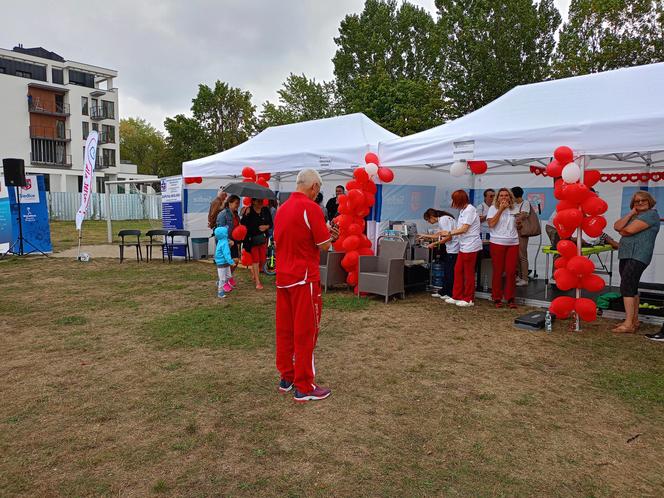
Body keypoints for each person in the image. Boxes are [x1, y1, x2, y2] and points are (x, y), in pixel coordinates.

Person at [274, 168, 339, 402]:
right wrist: (331, 236)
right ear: (314, 187)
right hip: (303, 277)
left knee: (285, 329)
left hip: (283, 277)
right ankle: (304, 385)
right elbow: (323, 245)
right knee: (305, 331)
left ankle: (287, 377)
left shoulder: (281, 209)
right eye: (318, 190)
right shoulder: (311, 208)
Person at [612, 191, 660, 334]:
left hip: (638, 255)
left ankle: (628, 324)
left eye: (643, 200)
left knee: (627, 286)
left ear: (649, 201)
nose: (640, 203)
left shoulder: (651, 215)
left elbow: (628, 231)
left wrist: (623, 230)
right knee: (631, 286)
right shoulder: (634, 216)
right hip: (626, 254)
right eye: (636, 201)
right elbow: (617, 226)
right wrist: (631, 213)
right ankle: (634, 320)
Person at [439, 190, 482, 307]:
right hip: (463, 246)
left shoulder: (470, 210)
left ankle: (469, 299)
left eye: (454, 200)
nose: (453, 202)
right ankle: (457, 295)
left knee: (468, 273)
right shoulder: (463, 210)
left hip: (471, 245)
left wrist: (448, 232)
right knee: (458, 270)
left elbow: (464, 229)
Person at [486, 188, 520, 308]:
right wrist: (501, 209)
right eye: (501, 196)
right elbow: (491, 224)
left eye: (506, 195)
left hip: (513, 242)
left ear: (510, 197)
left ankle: (510, 298)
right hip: (497, 242)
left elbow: (518, 226)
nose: (504, 198)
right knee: (498, 271)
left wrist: (519, 222)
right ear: (497, 198)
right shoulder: (493, 208)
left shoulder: (514, 208)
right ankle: (496, 297)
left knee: (511, 272)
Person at [420, 208, 459, 300]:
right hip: (451, 248)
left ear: (432, 217)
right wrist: (424, 235)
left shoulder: (443, 220)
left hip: (453, 249)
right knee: (446, 271)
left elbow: (448, 237)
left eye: (428, 220)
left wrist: (435, 244)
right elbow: (439, 235)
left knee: (450, 272)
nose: (429, 222)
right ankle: (444, 291)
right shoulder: (444, 219)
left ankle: (449, 293)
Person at [241, 198, 273, 290]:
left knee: (262, 260)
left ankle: (255, 272)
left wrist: (266, 227)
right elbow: (243, 224)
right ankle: (258, 282)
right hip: (252, 240)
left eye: (262, 201)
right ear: (253, 201)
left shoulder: (265, 210)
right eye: (259, 201)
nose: (261, 202)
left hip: (263, 239)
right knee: (256, 260)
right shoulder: (249, 210)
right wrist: (246, 214)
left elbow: (270, 223)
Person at [216, 194, 241, 287]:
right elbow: (219, 231)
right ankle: (224, 281)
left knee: (235, 261)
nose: (238, 205)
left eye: (239, 203)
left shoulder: (236, 214)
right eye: (236, 203)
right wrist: (227, 241)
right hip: (226, 242)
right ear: (230, 203)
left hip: (234, 241)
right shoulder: (223, 214)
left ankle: (226, 279)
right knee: (226, 263)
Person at [511, 186, 531, 287]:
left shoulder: (525, 203)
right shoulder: (514, 204)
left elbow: (523, 215)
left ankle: (525, 278)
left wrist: (515, 216)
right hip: (513, 232)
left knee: (522, 256)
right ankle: (518, 276)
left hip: (522, 232)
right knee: (516, 255)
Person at [213, 225, 233, 299]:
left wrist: (229, 244)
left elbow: (225, 250)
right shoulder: (224, 242)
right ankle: (220, 292)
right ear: (224, 234)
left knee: (229, 276)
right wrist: (231, 262)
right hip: (221, 263)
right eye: (226, 232)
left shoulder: (222, 241)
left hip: (225, 263)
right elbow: (226, 254)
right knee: (223, 279)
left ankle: (219, 283)